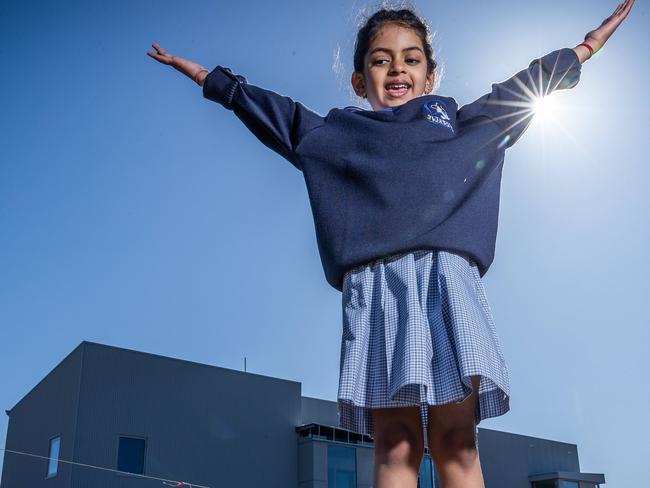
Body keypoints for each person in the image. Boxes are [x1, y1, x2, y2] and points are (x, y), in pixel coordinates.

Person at [147, 2, 634, 486]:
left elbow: (528, 85)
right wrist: (210, 79)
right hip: (379, 288)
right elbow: (278, 115)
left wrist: (586, 47)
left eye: (411, 58)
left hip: (449, 282)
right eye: (381, 59)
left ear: (430, 75)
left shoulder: (466, 126)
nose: (397, 67)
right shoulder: (335, 134)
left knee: (457, 441)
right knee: (398, 445)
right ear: (360, 81)